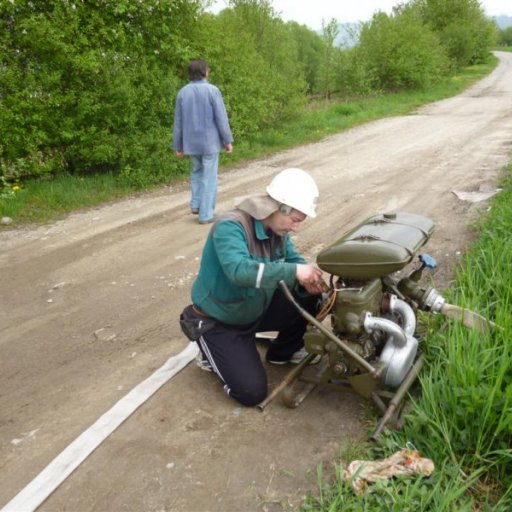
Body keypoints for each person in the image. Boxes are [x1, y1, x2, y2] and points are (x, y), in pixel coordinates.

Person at [179, 168, 326, 407]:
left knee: (308, 295)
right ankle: (210, 350)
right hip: (222, 321)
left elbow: (293, 260)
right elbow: (239, 271)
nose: (296, 228)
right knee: (251, 393)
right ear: (280, 207)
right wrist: (296, 272)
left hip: (254, 308)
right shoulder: (230, 227)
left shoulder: (277, 229)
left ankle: (282, 352)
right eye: (295, 220)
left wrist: (309, 277)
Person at [172, 59, 234, 225]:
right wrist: (227, 140)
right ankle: (206, 214)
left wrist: (178, 145)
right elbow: (221, 118)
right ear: (204, 72)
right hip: (209, 143)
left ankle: (196, 204)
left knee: (196, 173)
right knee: (209, 177)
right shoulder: (212, 90)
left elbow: (178, 121)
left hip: (191, 144)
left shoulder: (182, 92)